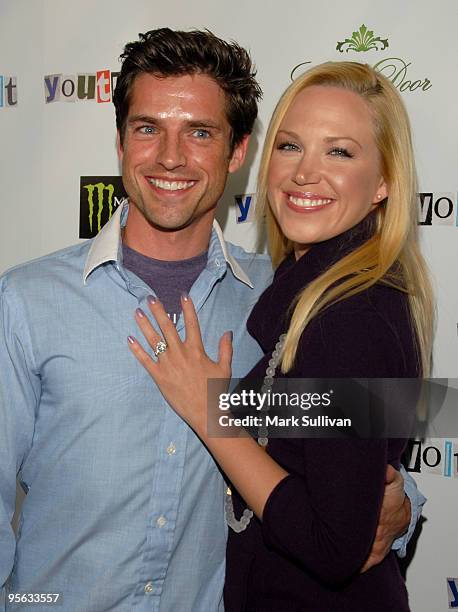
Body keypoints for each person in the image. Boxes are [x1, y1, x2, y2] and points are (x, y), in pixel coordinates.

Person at [0, 28, 420, 611]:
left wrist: (403, 503)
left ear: (239, 151)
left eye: (200, 132)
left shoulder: (285, 302)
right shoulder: (26, 301)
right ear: (121, 142)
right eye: (148, 128)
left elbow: (378, 426)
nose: (171, 157)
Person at [128, 60, 434, 611]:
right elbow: (327, 433)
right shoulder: (298, 293)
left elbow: (334, 547)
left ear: (385, 180)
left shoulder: (350, 315)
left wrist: (208, 412)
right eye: (291, 146)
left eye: (339, 151)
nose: (303, 173)